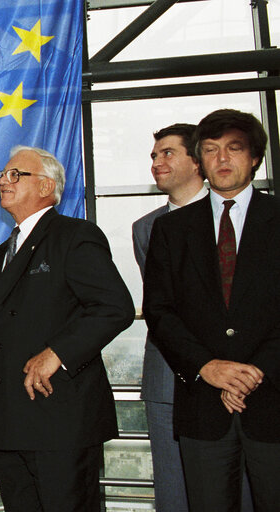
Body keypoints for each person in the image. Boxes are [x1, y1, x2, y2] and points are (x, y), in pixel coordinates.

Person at [0, 146, 134, 511]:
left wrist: (58, 352)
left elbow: (114, 307)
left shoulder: (75, 236)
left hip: (58, 419)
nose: (3, 182)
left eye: (15, 175)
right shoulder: (0, 255)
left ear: (45, 186)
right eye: (2, 175)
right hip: (7, 419)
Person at [143, 109, 280, 512]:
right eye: (210, 150)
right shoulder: (170, 230)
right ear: (200, 160)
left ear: (255, 157)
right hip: (202, 405)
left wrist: (254, 371)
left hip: (273, 400)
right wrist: (207, 367)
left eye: (234, 149)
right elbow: (160, 312)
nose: (222, 159)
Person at [132, 123, 207, 511]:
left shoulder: (240, 216)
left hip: (231, 375)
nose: (157, 163)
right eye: (154, 156)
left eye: (167, 153)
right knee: (173, 489)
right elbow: (162, 308)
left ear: (197, 162)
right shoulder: (146, 228)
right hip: (166, 381)